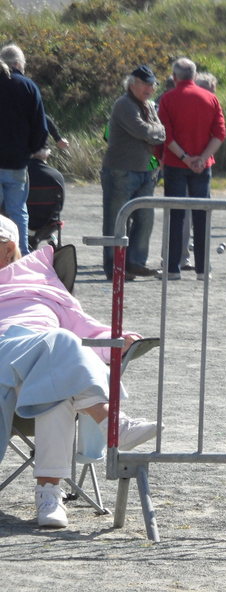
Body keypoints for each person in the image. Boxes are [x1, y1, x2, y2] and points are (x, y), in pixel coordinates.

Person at [0, 217, 157, 528]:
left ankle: (49, 496)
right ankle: (114, 423)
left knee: (57, 385)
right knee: (61, 343)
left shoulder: (43, 284)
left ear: (9, 248)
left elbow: (86, 329)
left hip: (41, 373)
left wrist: (122, 339)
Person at [158, 57, 226, 280]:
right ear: (195, 77)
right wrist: (202, 158)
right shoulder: (211, 98)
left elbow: (165, 135)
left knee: (176, 216)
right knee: (201, 216)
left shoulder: (167, 99)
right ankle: (202, 269)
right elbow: (220, 134)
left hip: (175, 163)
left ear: (174, 77)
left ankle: (172, 268)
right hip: (203, 165)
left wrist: (186, 158)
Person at [101, 64, 166, 281]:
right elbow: (144, 130)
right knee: (116, 221)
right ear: (132, 84)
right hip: (121, 171)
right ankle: (114, 267)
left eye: (152, 84)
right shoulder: (124, 104)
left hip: (145, 171)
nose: (150, 89)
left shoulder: (149, 105)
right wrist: (153, 132)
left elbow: (161, 132)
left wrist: (153, 132)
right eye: (145, 84)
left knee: (145, 218)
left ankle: (135, 262)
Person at [0, 45, 48, 257]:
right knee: (17, 211)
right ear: (19, 64)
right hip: (17, 161)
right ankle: (20, 255)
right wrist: (30, 150)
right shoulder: (28, 87)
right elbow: (41, 128)